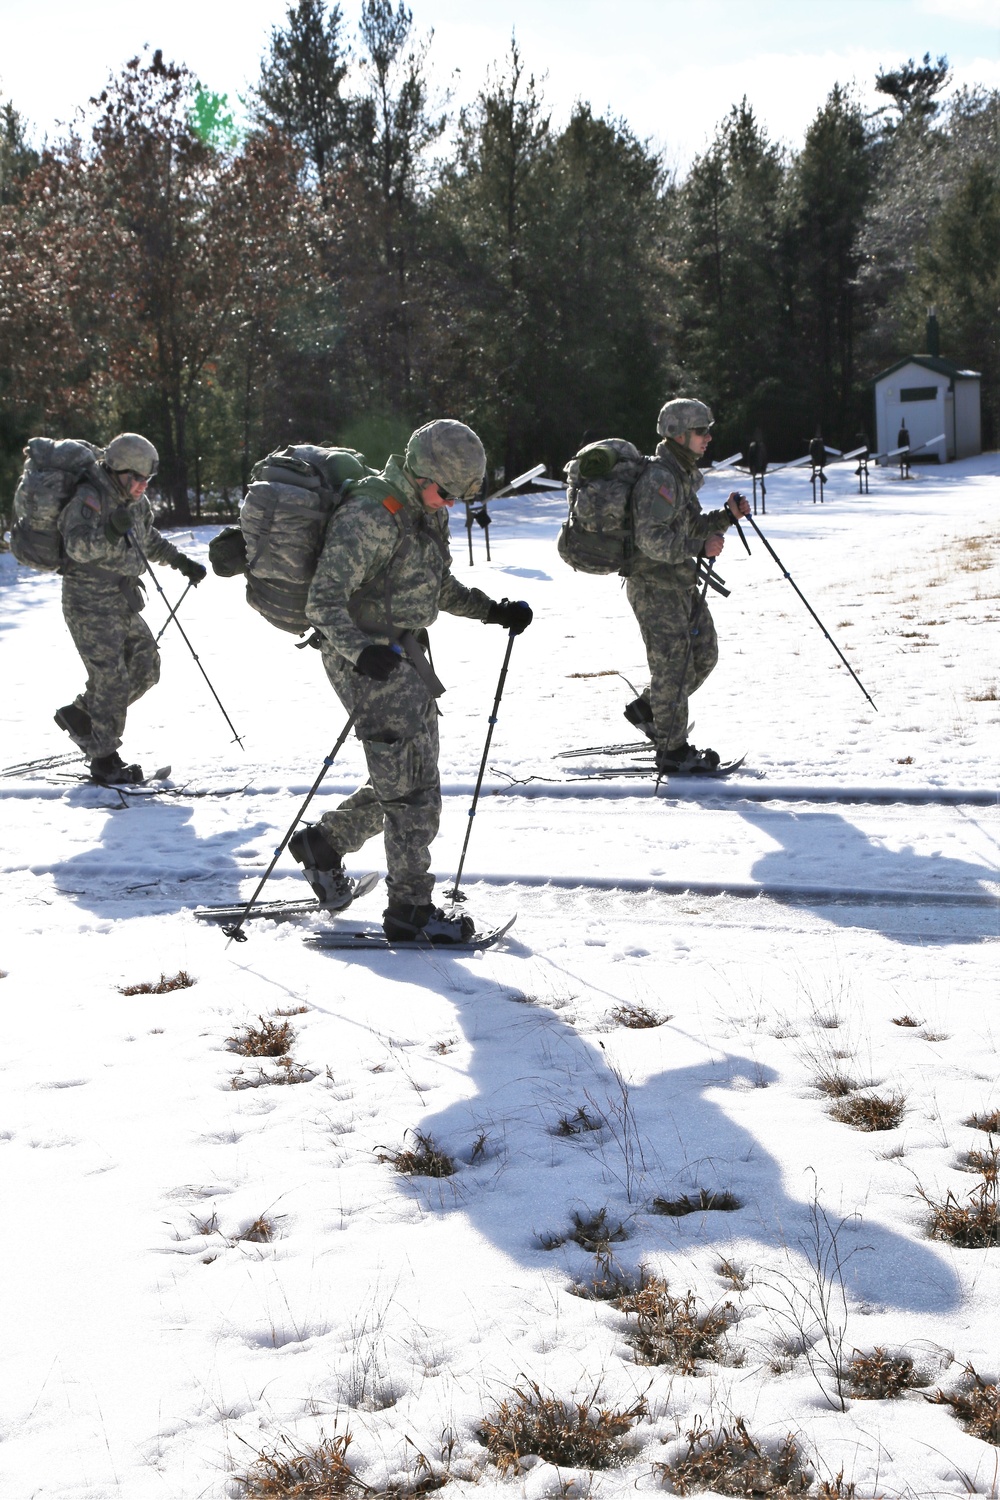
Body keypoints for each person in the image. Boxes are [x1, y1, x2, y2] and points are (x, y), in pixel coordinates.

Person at [293, 419, 533, 943]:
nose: (448, 503)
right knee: (412, 795)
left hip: (406, 656)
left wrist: (493, 611)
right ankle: (410, 911)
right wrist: (360, 653)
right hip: (367, 661)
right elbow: (322, 601)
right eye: (444, 492)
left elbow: (435, 584)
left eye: (458, 496)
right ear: (419, 471)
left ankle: (325, 843)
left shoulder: (424, 512)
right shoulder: (369, 516)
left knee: (413, 778)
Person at [55, 433, 206, 784]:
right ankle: (104, 760)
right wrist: (108, 531)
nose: (141, 486)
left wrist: (180, 561)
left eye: (147, 480)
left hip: (120, 597)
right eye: (135, 478)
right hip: (88, 600)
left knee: (146, 665)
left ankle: (81, 714)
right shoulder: (89, 497)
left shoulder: (136, 502)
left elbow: (146, 538)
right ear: (117, 471)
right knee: (110, 677)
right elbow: (76, 546)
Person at [622, 398, 750, 775]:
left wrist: (727, 516)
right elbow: (650, 540)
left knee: (704, 655)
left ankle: (651, 710)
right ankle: (673, 751)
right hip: (654, 587)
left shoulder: (679, 474)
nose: (708, 437)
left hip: (679, 582)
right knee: (673, 670)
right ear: (678, 434)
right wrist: (698, 547)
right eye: (701, 431)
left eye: (708, 430)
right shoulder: (660, 478)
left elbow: (692, 526)